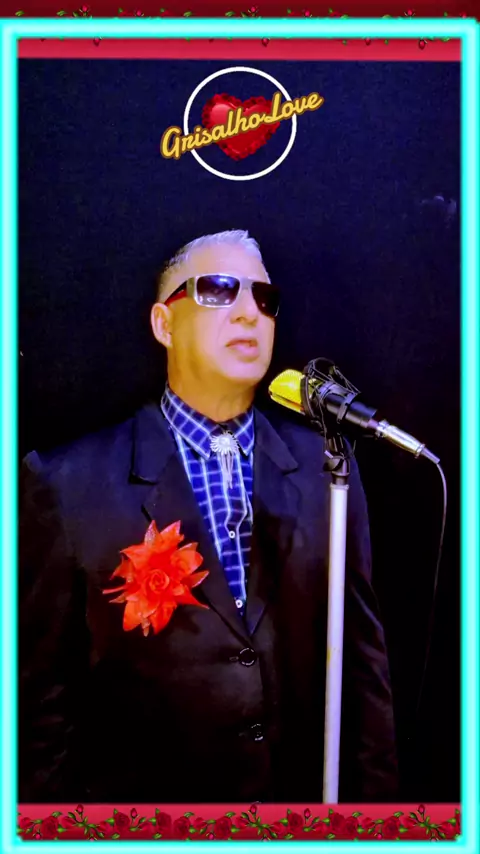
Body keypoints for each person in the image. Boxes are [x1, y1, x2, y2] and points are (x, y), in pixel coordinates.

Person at [19, 229, 398, 805]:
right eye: (219, 289)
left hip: (295, 821)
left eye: (264, 299)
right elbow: (41, 708)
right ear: (164, 324)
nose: (249, 312)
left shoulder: (328, 472)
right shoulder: (67, 484)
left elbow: (364, 676)